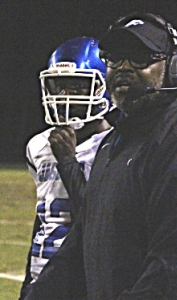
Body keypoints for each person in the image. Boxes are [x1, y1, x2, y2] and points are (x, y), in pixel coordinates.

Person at [24, 12, 177, 300]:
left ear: (175, 68)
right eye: (116, 58)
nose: (125, 67)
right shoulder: (115, 143)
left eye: (141, 57)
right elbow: (80, 246)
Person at [19, 36, 113, 299]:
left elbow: (101, 221)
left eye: (77, 86)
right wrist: (29, 281)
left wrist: (67, 161)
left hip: (83, 283)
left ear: (102, 88)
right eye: (59, 86)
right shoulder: (38, 145)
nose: (65, 96)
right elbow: (42, 221)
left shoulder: (117, 147)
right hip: (42, 277)